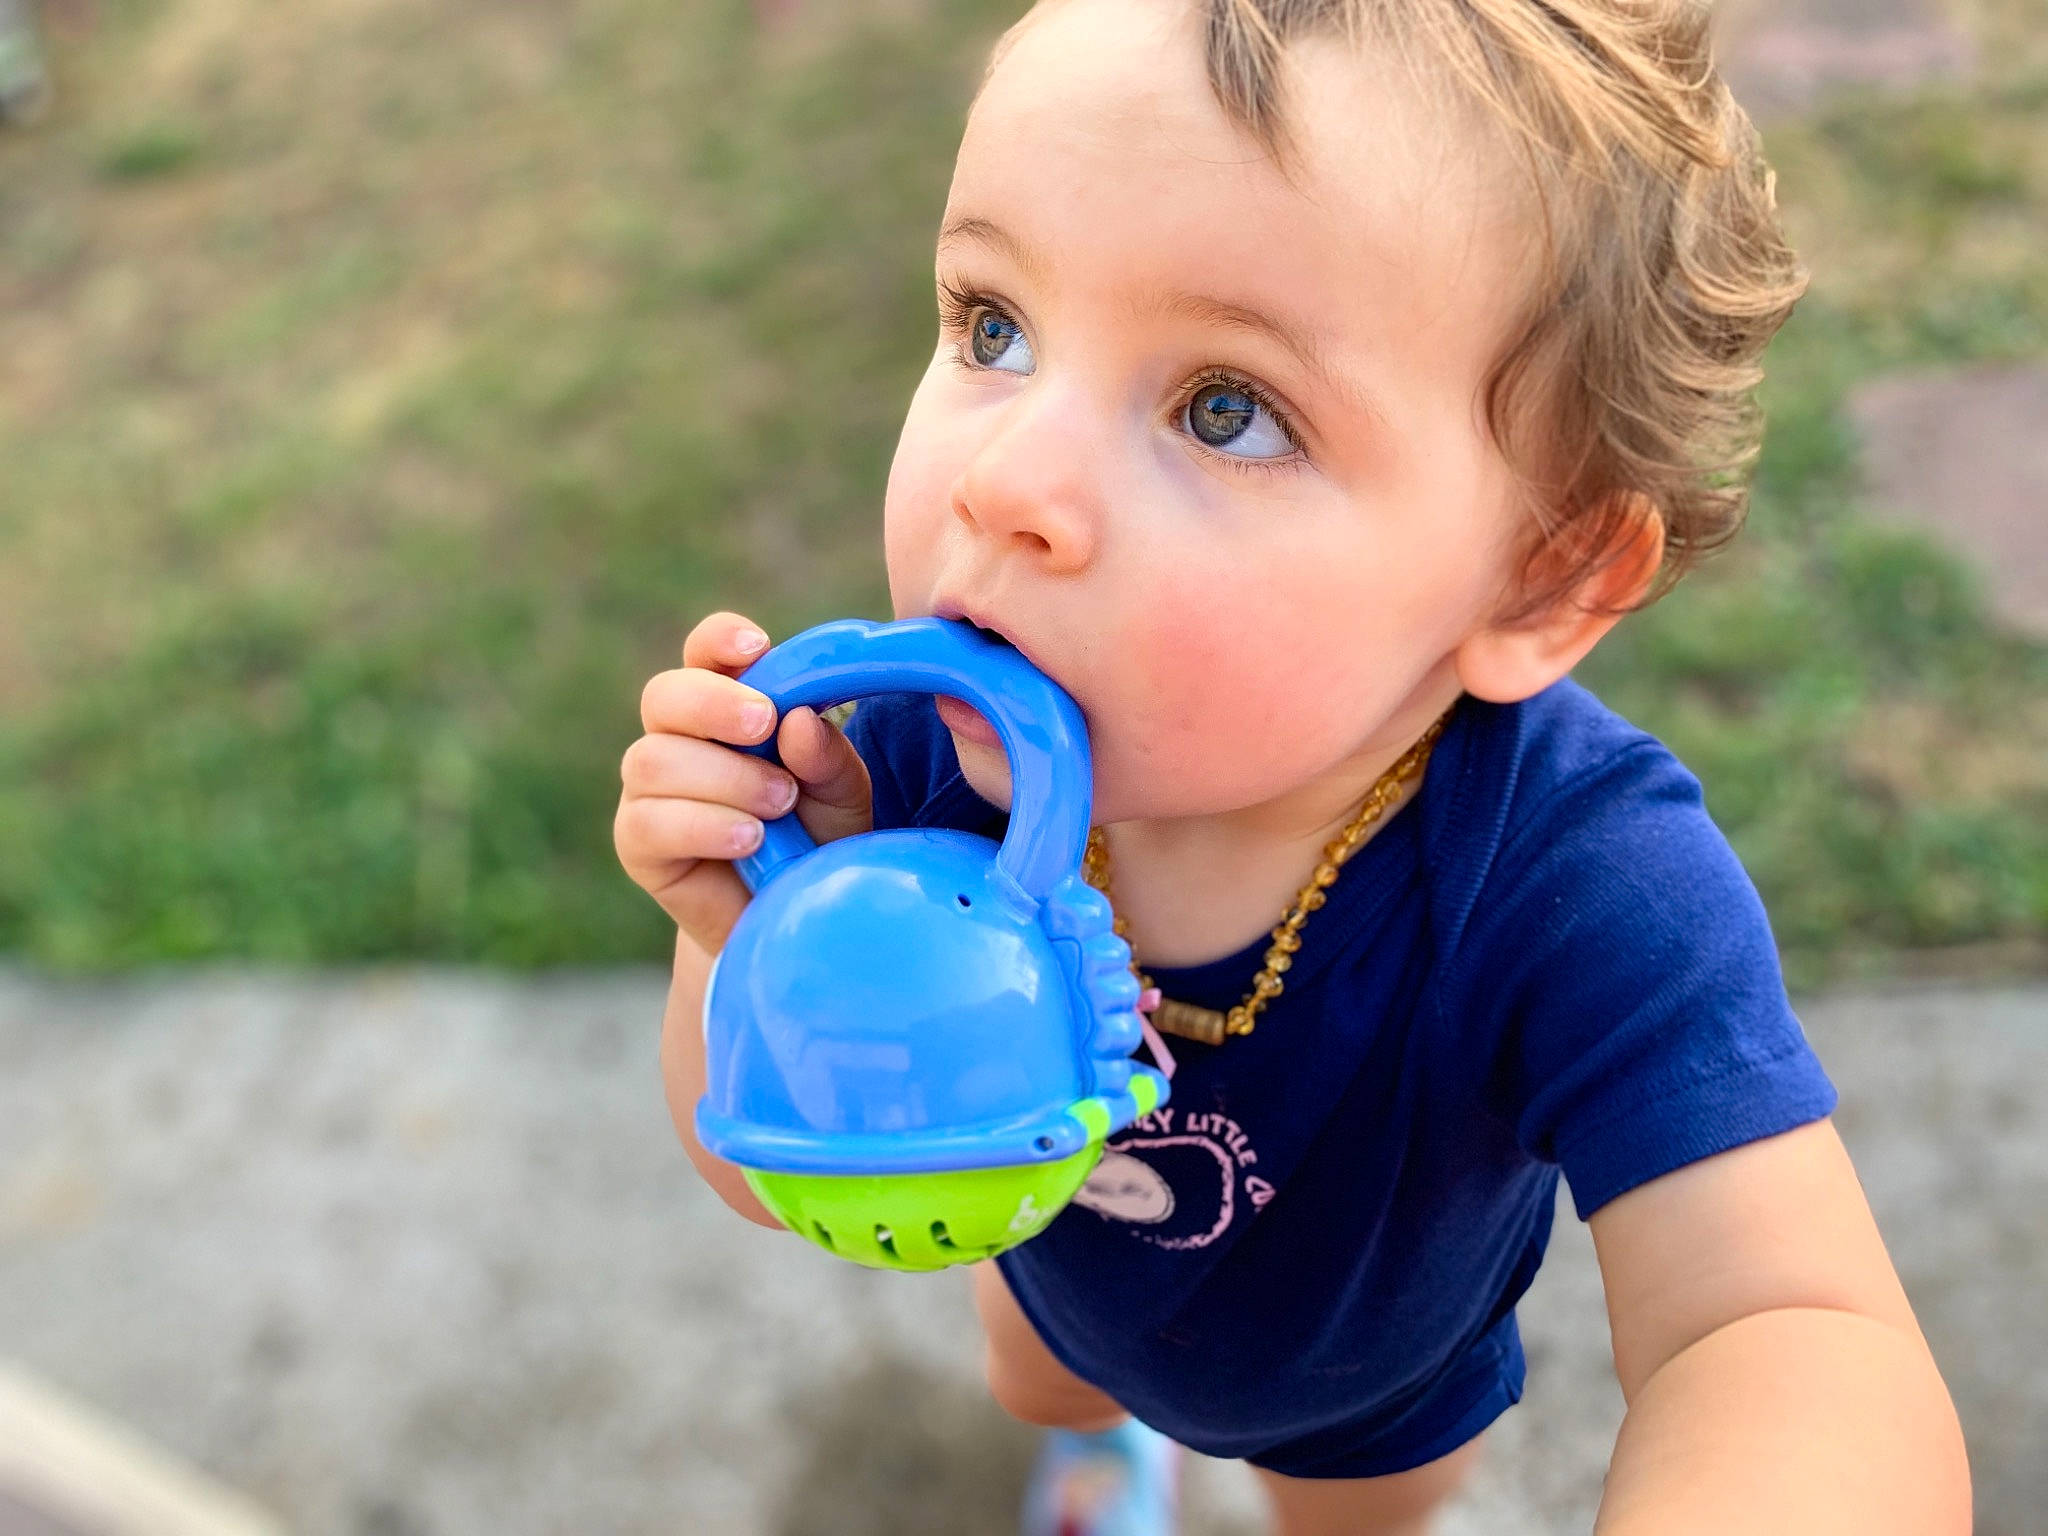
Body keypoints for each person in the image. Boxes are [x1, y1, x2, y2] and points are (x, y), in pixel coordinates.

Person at [614, 1, 1972, 1531]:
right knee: (1045, 1377)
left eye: (1224, 410)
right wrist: (741, 937)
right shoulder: (902, 768)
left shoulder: (1582, 886)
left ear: (1544, 579)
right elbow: (763, 1169)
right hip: (1038, 1242)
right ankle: (1101, 1450)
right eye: (994, 325)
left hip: (1368, 1394)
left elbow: (1779, 1329)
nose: (1004, 486)